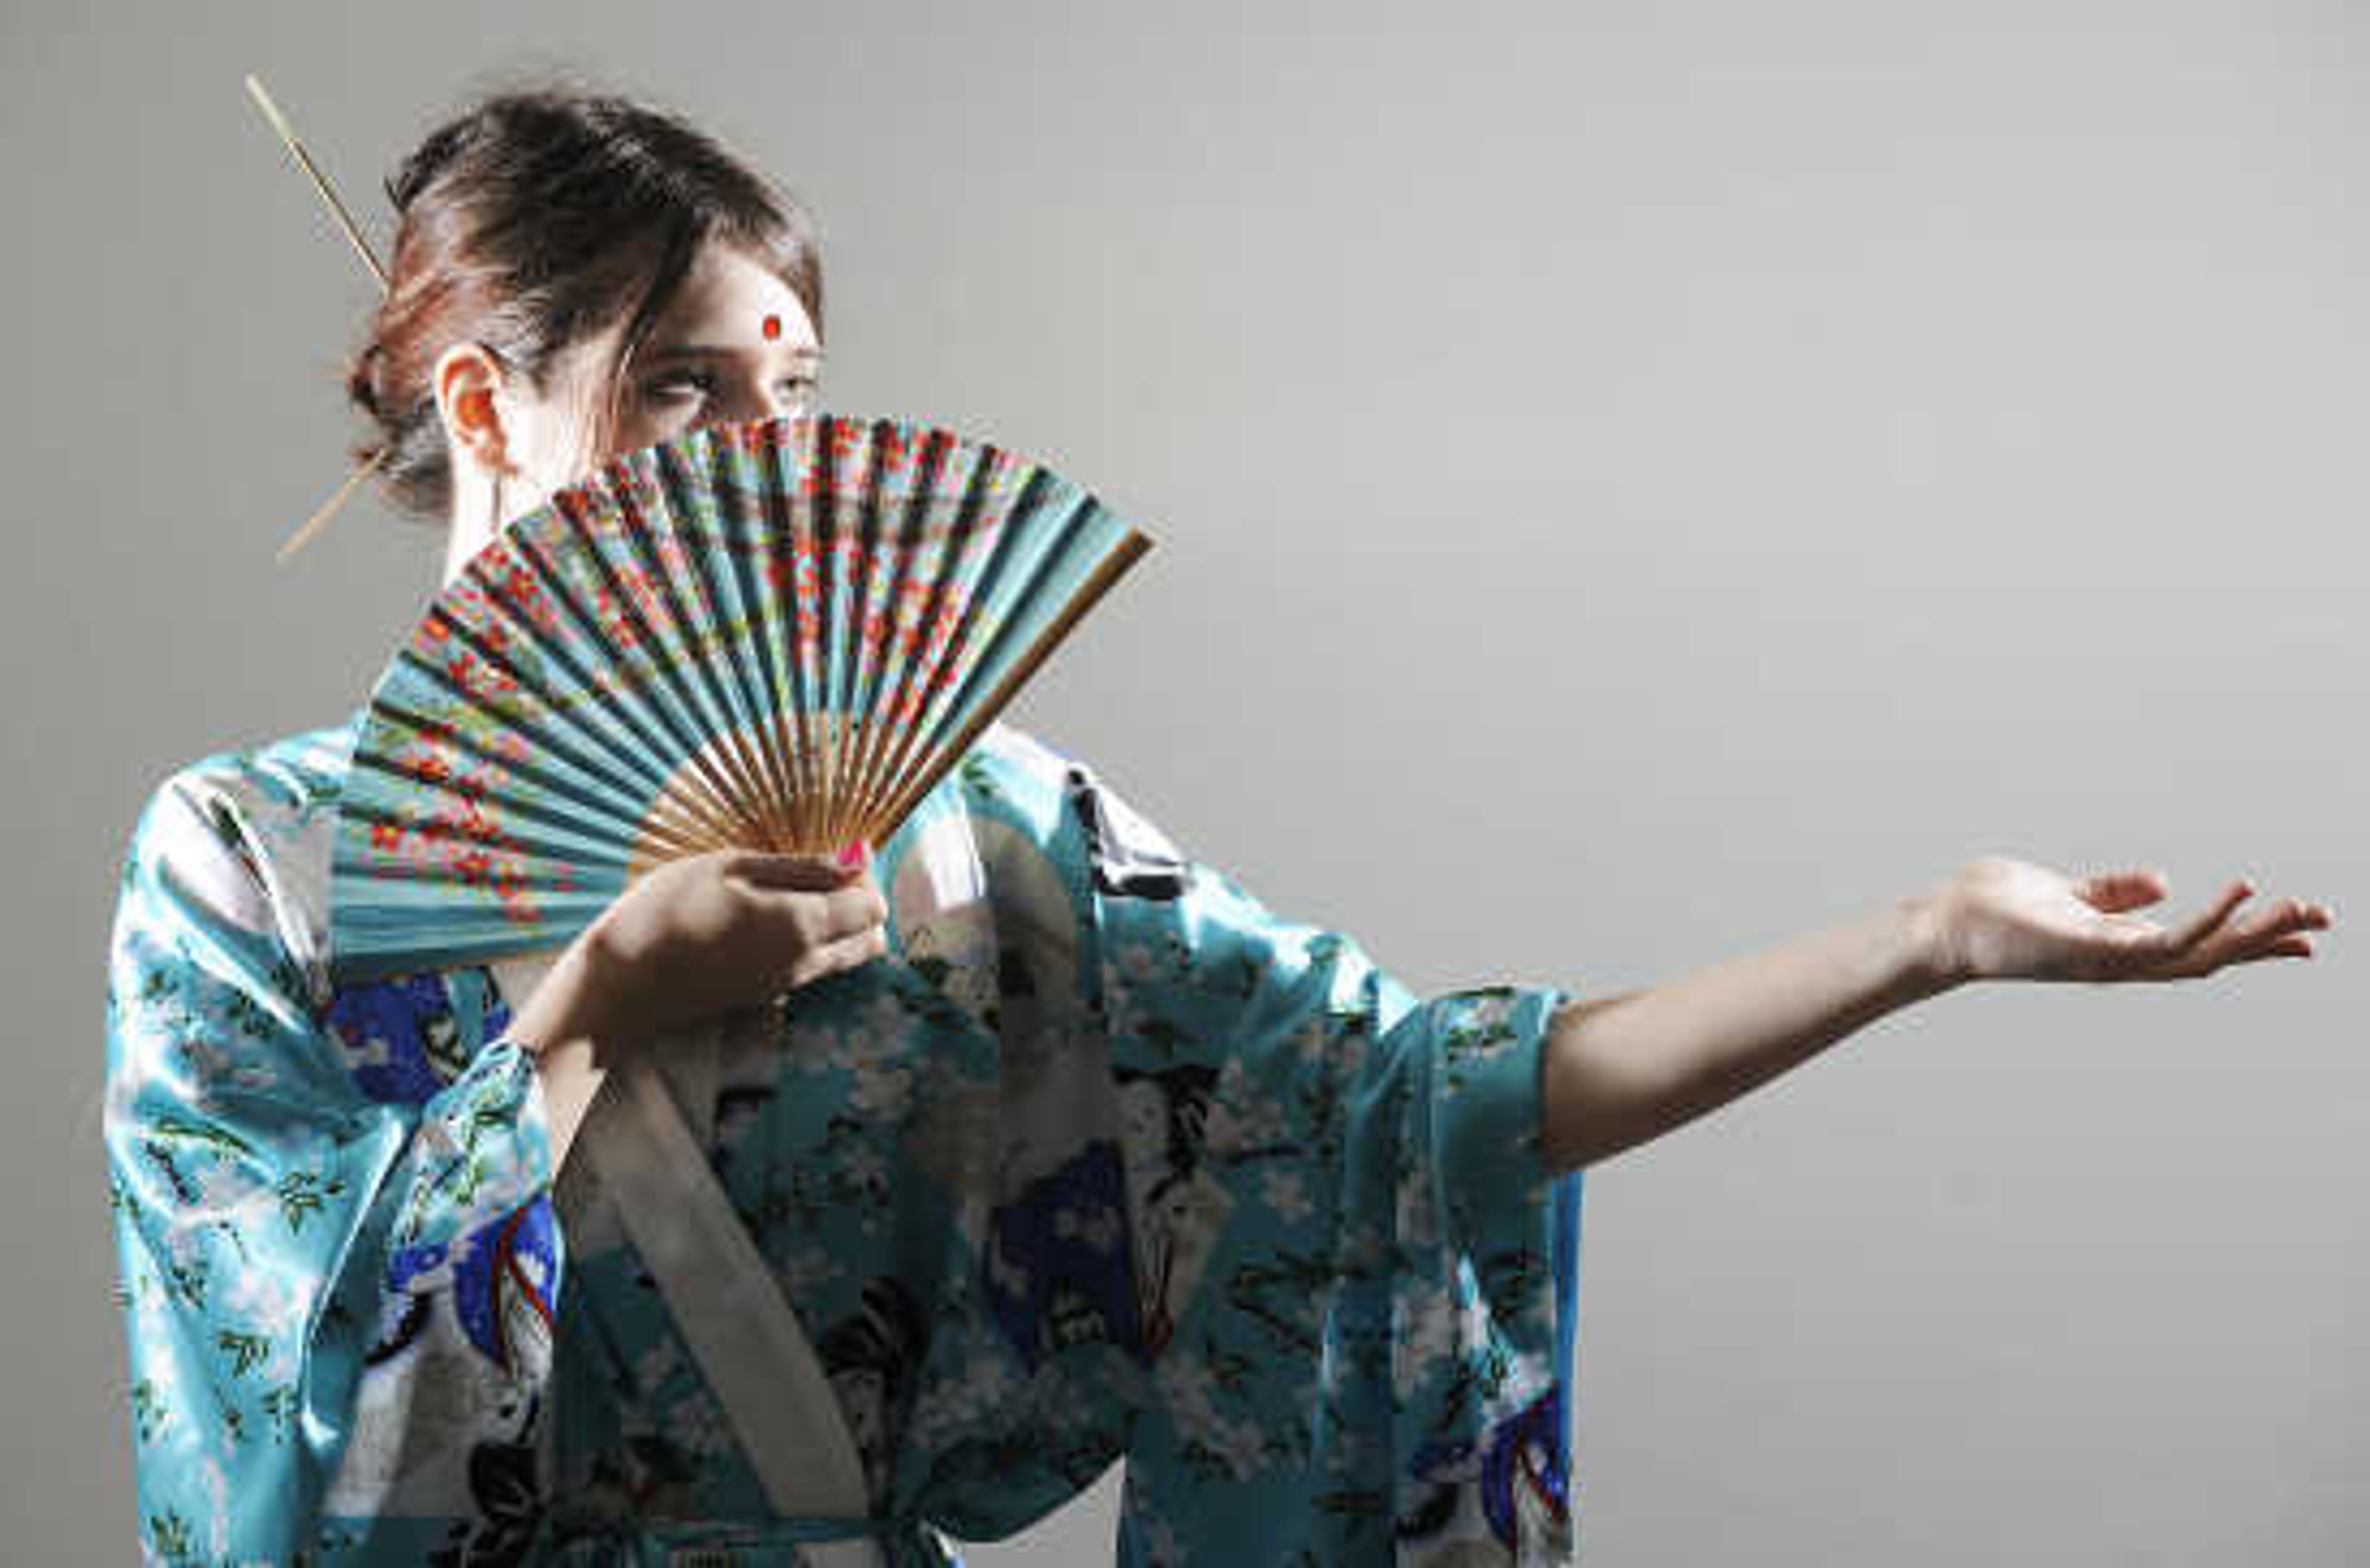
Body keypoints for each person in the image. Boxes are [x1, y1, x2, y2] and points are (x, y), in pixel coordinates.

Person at [101, 82, 2334, 1568]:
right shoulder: (251, 867)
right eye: (690, 387)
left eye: (798, 392)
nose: (776, 455)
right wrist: (585, 1011)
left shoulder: (965, 827)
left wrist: (1931, 940)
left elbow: (1399, 1113)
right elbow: (276, 1449)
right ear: (489, 400)